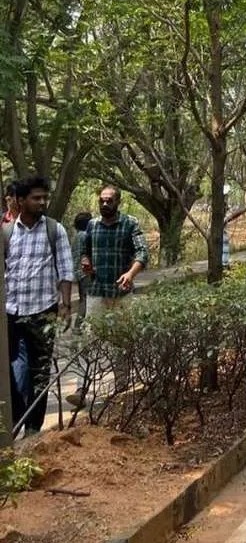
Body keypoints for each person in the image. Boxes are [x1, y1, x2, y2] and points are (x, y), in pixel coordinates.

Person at [4, 176, 74, 438]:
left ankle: (33, 429)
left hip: (43, 312)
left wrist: (65, 305)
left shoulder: (55, 230)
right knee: (12, 371)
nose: (42, 202)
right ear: (21, 200)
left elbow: (66, 269)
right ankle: (14, 421)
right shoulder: (7, 233)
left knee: (40, 371)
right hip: (11, 313)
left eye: (45, 197)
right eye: (36, 198)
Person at [72, 186, 151, 406]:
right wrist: (86, 262)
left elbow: (143, 252)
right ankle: (81, 388)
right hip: (97, 292)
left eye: (109, 201)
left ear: (118, 202)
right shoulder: (92, 225)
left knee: (121, 341)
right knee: (89, 340)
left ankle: (122, 387)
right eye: (102, 201)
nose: (105, 204)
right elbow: (84, 252)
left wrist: (130, 274)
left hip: (121, 293)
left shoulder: (130, 223)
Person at [71, 212, 92, 327]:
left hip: (78, 272)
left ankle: (79, 325)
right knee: (86, 299)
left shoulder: (77, 236)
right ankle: (78, 326)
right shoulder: (85, 236)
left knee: (82, 298)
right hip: (85, 272)